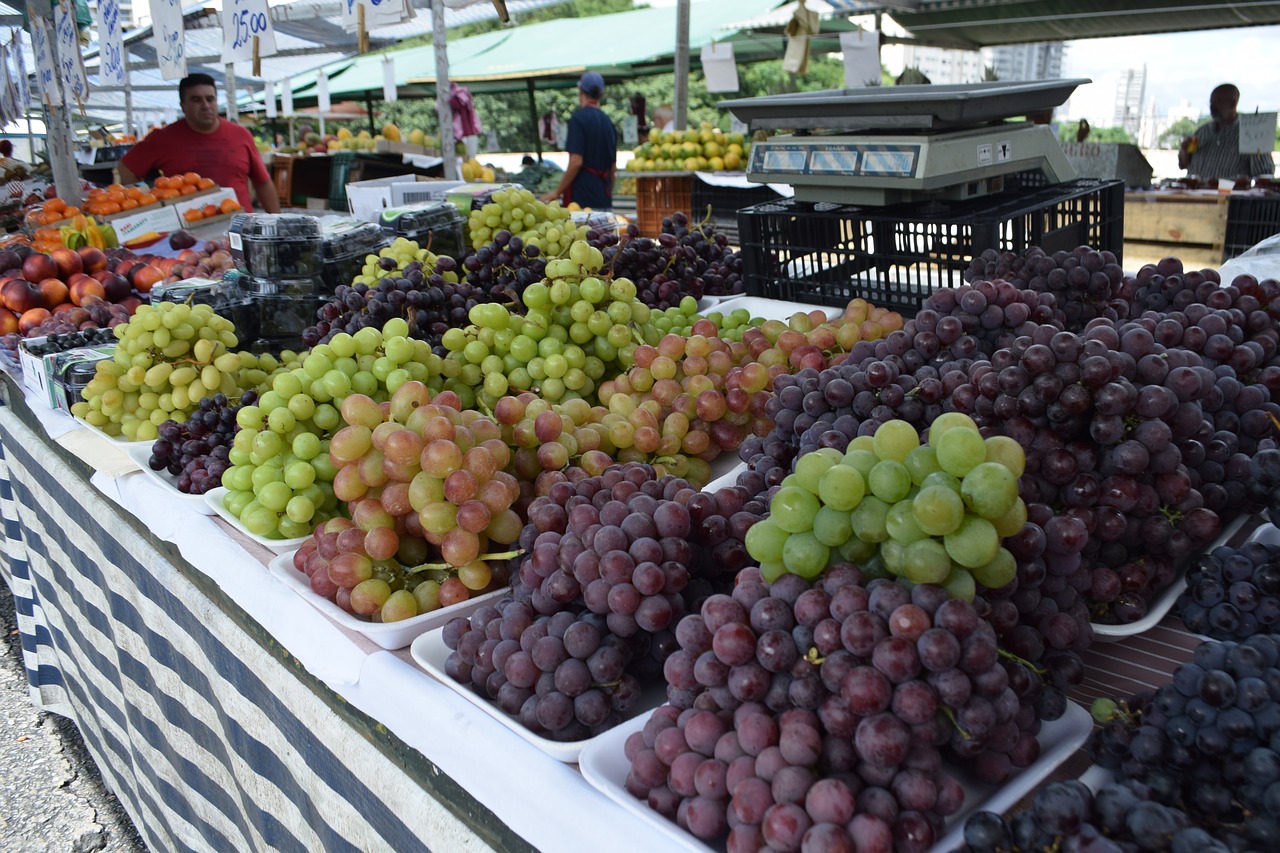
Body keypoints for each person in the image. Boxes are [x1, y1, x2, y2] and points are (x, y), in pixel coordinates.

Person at [120, 73, 280, 213]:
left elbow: (263, 182)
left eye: (210, 99)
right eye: (196, 100)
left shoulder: (240, 135)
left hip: (239, 228)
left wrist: (278, 223)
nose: (205, 106)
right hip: (189, 234)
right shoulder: (163, 138)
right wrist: (143, 204)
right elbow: (126, 167)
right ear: (183, 105)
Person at [540, 72, 617, 210]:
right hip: (603, 196)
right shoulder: (608, 121)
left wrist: (557, 191)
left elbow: (576, 161)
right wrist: (608, 191)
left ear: (580, 91)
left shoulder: (578, 119)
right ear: (601, 94)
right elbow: (613, 167)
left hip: (583, 198)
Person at [1179, 83, 1275, 181]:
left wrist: (1258, 147)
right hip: (1196, 194)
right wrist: (1184, 151)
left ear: (1233, 103)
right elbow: (1183, 164)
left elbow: (1264, 174)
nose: (1212, 107)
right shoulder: (1201, 132)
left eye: (1218, 102)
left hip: (1230, 194)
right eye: (1211, 103)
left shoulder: (1251, 134)